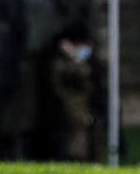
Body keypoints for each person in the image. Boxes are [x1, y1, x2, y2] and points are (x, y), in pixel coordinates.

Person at [36, 23, 104, 162]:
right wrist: (76, 58)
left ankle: (86, 158)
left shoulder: (82, 59)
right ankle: (76, 159)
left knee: (87, 134)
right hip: (69, 105)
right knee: (75, 136)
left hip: (80, 105)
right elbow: (76, 76)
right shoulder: (61, 62)